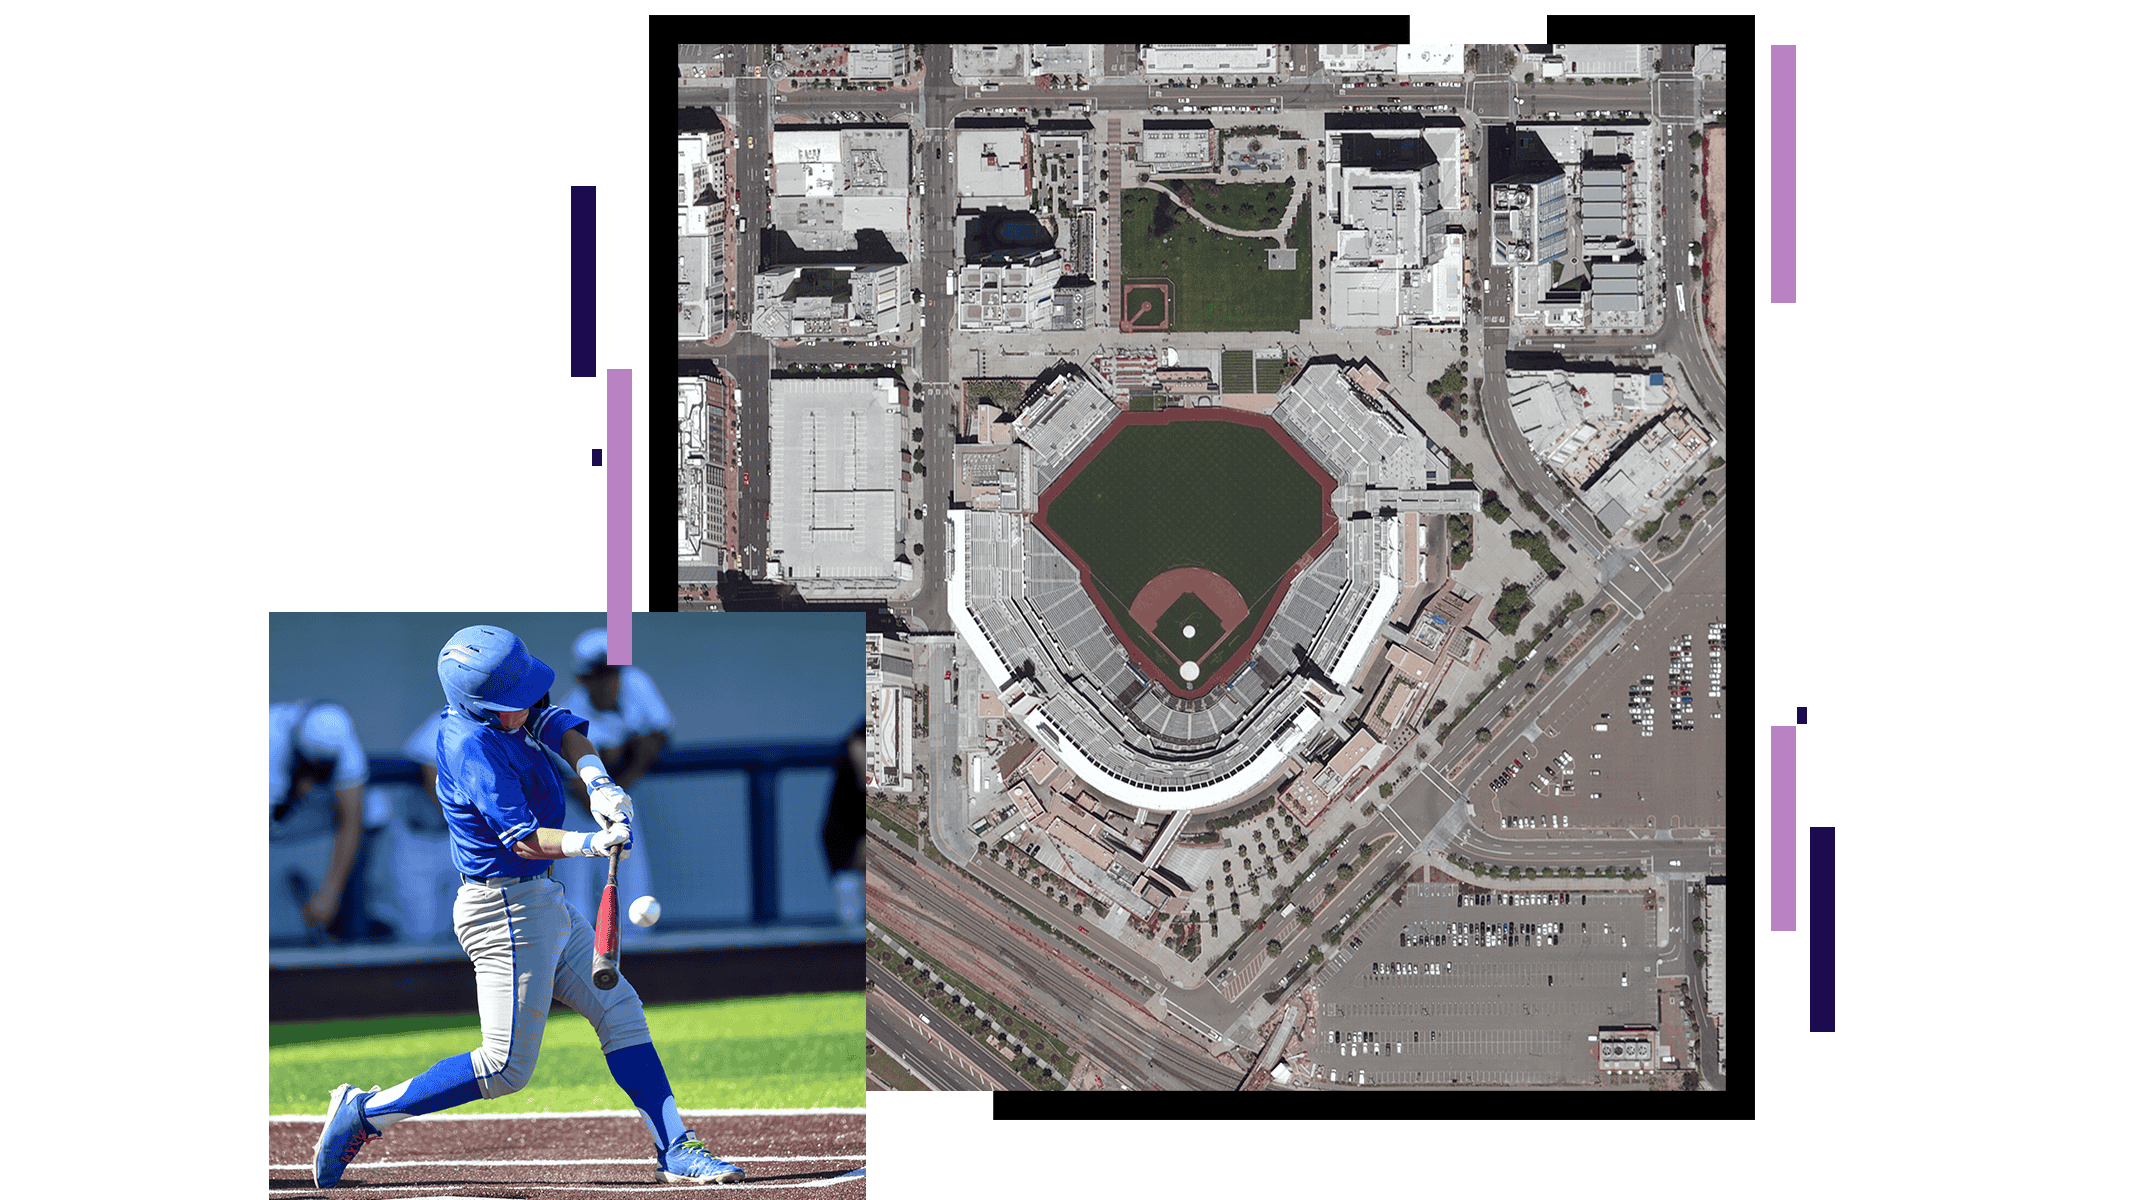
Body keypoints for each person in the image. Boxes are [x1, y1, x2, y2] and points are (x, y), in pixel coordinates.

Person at [312, 625, 742, 1189]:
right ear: (478, 705)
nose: (528, 706)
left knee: (620, 1012)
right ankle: (363, 1112)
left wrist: (600, 785)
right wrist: (592, 842)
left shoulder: (509, 710)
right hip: (504, 910)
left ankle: (675, 1147)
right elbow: (523, 839)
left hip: (543, 901)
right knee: (504, 1068)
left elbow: (563, 728)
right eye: (512, 701)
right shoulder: (471, 747)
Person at [556, 628, 671, 942]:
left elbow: (659, 737)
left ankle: (637, 974)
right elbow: (583, 793)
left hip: (620, 803)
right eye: (600, 675)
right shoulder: (569, 716)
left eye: (613, 672)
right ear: (584, 679)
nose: (610, 682)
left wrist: (624, 765)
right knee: (575, 904)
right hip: (576, 816)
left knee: (635, 901)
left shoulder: (636, 683)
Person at [268, 701, 396, 943]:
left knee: (375, 806)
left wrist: (330, 893)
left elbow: (352, 822)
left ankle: (353, 918)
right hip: (273, 816)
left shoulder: (344, 743)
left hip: (293, 813)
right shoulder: (271, 741)